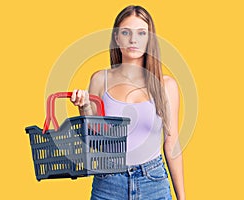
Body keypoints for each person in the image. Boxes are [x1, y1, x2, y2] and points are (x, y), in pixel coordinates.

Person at [70, 5, 185, 200]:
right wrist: (84, 107)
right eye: (126, 32)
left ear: (150, 40)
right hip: (108, 183)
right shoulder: (100, 80)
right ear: (116, 37)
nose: (133, 40)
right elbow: (95, 139)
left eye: (141, 33)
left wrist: (182, 197)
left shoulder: (166, 85)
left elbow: (171, 144)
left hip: (153, 182)